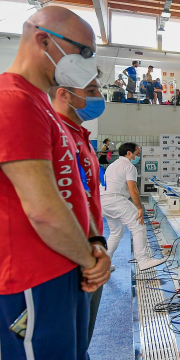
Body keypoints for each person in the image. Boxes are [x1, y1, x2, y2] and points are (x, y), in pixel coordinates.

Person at [0, 6, 116, 360]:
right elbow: (44, 209)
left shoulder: (38, 107)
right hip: (21, 278)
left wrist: (95, 243)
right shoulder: (9, 102)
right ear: (43, 40)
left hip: (53, 270)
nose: (87, 64)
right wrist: (90, 260)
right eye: (83, 51)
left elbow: (72, 192)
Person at [50, 72, 109, 345]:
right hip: (72, 258)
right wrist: (87, 254)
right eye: (92, 90)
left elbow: (85, 196)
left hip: (91, 250)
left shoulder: (79, 135)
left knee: (79, 344)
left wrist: (97, 244)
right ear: (64, 94)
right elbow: (56, 204)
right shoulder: (56, 132)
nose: (100, 97)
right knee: (66, 346)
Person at [102, 142, 165, 272]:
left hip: (103, 201)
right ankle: (143, 261)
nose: (138, 157)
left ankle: (104, 264)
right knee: (138, 226)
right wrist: (139, 208)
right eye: (137, 154)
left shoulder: (113, 165)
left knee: (116, 232)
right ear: (129, 153)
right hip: (115, 199)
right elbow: (133, 190)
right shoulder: (129, 166)